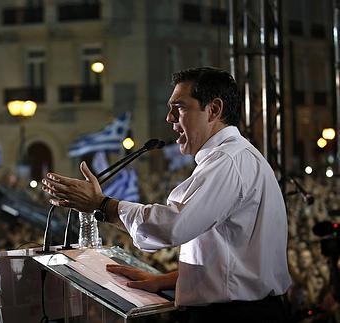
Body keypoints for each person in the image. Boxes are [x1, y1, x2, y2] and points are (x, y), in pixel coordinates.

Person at [41, 67, 292, 322]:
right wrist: (165, 280)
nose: (169, 118)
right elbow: (234, 263)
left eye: (180, 107)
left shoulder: (228, 161)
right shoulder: (234, 157)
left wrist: (102, 204)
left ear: (214, 110)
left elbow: (172, 226)